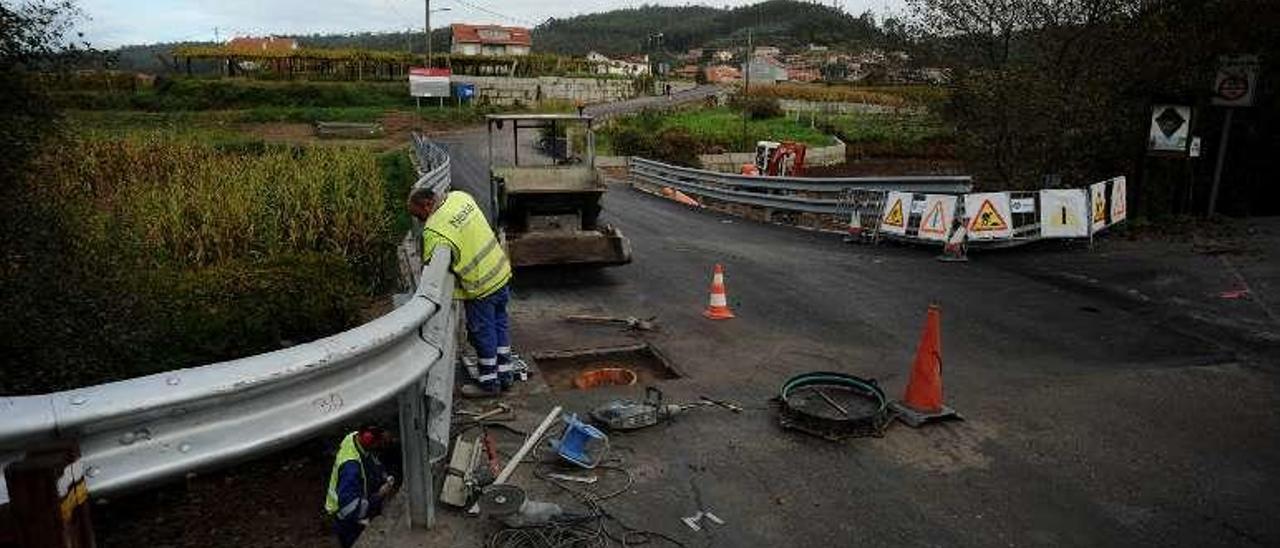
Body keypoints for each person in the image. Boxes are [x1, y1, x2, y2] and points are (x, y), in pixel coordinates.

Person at [408, 188, 514, 397]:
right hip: (501, 272)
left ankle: (489, 383)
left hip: (481, 286)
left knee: (483, 334)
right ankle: (506, 375)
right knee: (500, 325)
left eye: (417, 214)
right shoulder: (461, 197)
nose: (419, 221)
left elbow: (431, 268)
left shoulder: (434, 230)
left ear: (427, 206)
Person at [325, 427, 395, 548]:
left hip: (352, 508)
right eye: (380, 443)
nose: (381, 447)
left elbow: (372, 461)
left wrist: (384, 476)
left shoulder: (355, 439)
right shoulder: (350, 469)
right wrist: (379, 495)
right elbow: (351, 509)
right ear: (369, 440)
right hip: (348, 522)